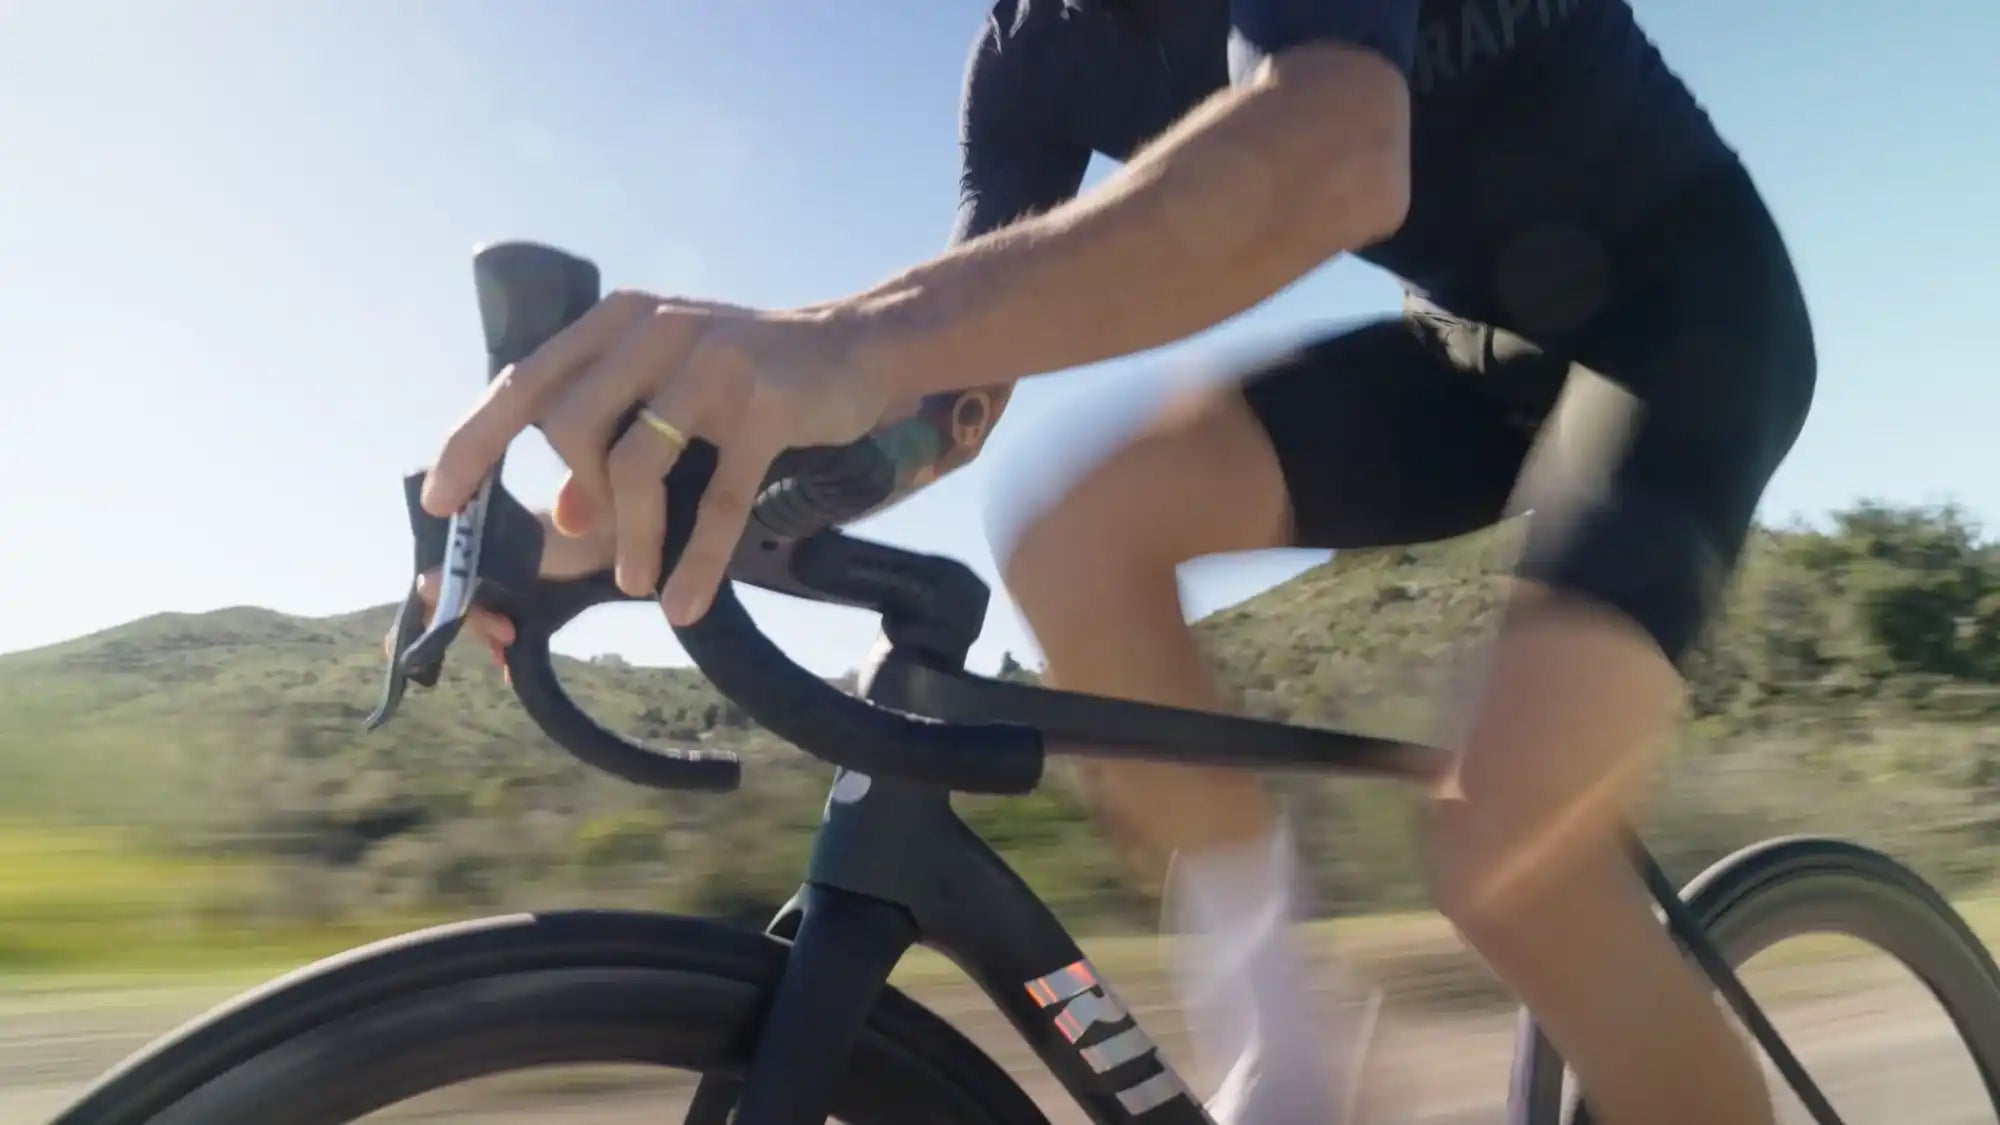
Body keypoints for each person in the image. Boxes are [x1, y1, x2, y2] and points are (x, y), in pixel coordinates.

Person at [408, 1, 1817, 1122]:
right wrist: (629, 525)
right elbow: (944, 395)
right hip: (1471, 354)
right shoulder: (1030, 57)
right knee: (1075, 535)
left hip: (1682, 310)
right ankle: (1289, 1055)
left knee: (1510, 856)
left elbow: (1333, 149)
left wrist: (847, 334)